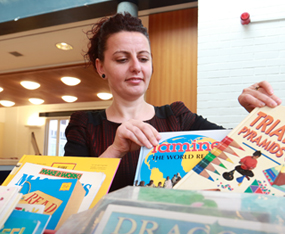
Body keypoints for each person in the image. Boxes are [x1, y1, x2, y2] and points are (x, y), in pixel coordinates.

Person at [64, 12, 282, 192]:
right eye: (122, 59)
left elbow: (241, 156)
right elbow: (70, 196)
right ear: (101, 67)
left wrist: (257, 117)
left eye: (143, 58)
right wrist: (115, 149)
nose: (136, 68)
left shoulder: (178, 117)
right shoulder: (84, 124)